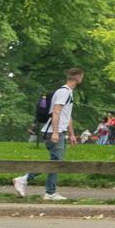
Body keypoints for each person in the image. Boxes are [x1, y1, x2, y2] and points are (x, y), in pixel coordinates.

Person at [16, 68, 81, 202]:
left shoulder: (68, 93)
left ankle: (49, 192)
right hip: (54, 132)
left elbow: (67, 116)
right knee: (55, 163)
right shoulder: (63, 92)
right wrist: (56, 132)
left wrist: (72, 134)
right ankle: (24, 180)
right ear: (79, 78)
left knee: (55, 163)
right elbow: (56, 112)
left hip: (59, 131)